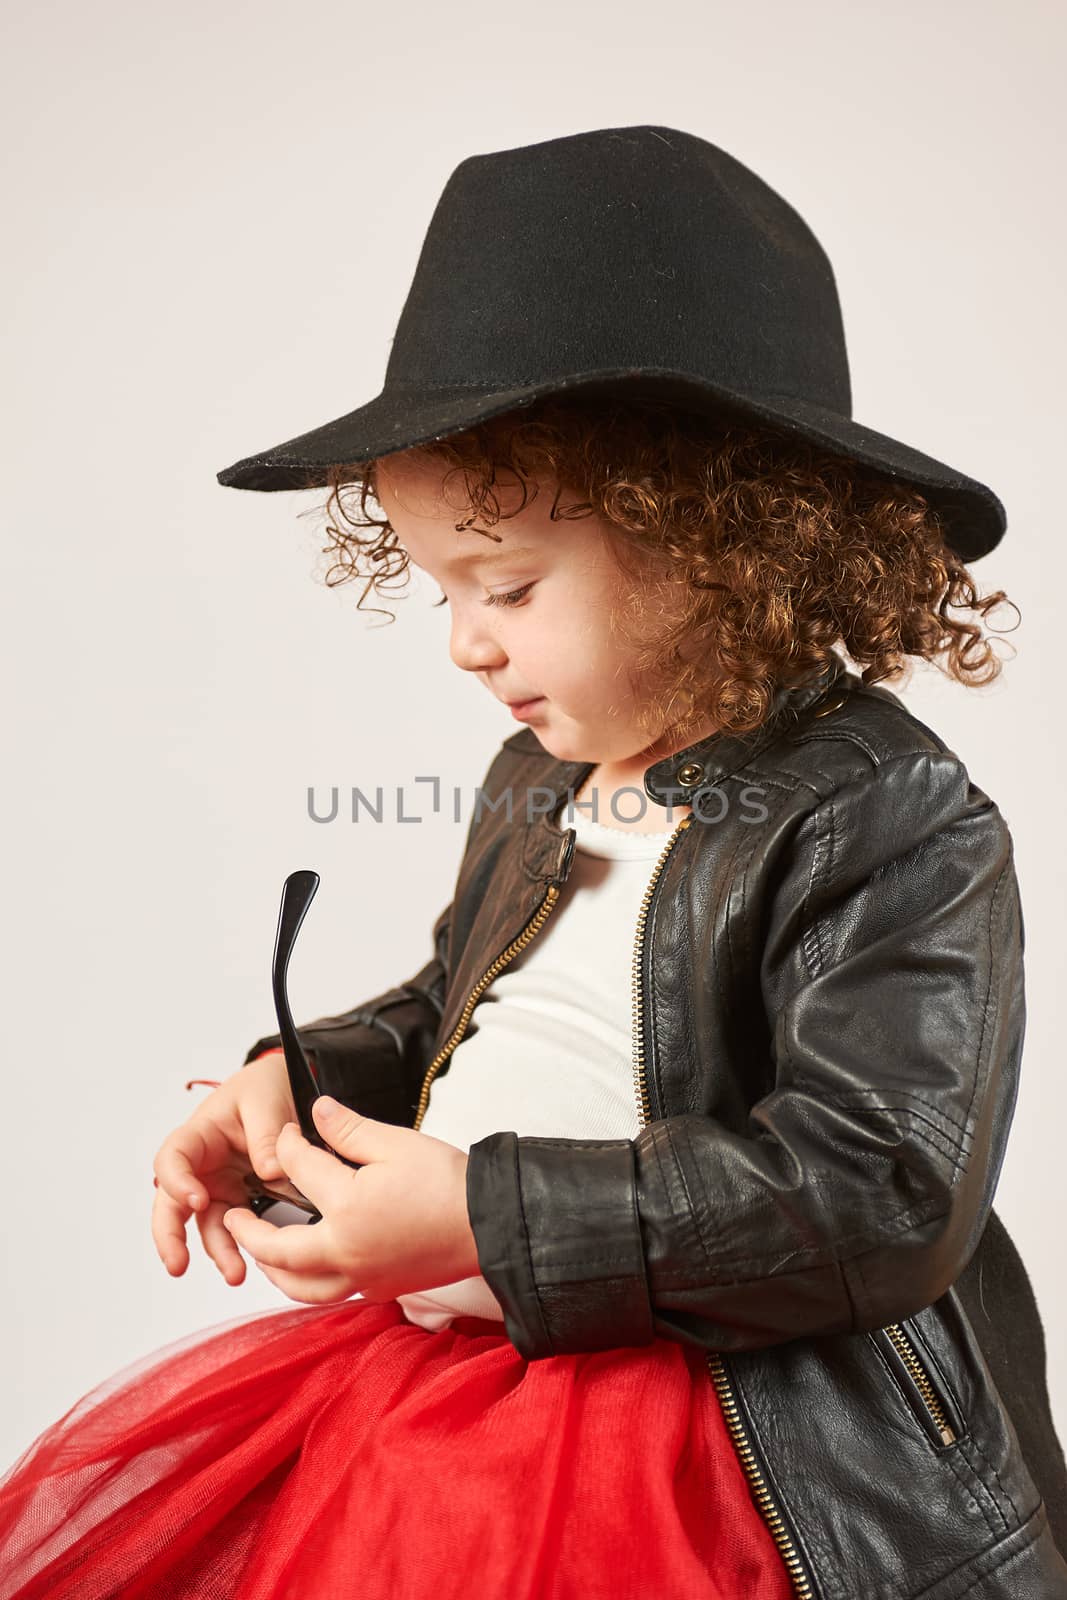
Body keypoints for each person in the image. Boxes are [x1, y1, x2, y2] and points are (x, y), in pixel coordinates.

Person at [2, 124, 1066, 1600]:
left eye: (504, 586)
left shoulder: (886, 815)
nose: (464, 640)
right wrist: (303, 1084)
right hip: (447, 1378)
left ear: (718, 541)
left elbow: (880, 1190)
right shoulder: (537, 779)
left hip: (720, 1444)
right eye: (440, 588)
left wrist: (482, 1217)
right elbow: (466, 1003)